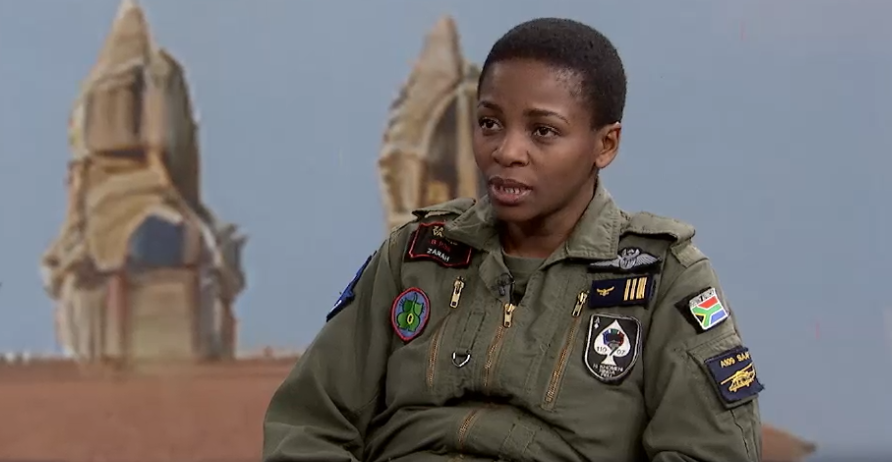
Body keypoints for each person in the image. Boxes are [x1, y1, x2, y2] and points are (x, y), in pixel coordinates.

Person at [263, 17, 762, 462]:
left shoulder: (665, 277)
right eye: (489, 124)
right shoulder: (416, 254)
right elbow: (307, 426)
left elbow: (710, 453)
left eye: (542, 131)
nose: (506, 151)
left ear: (605, 144)